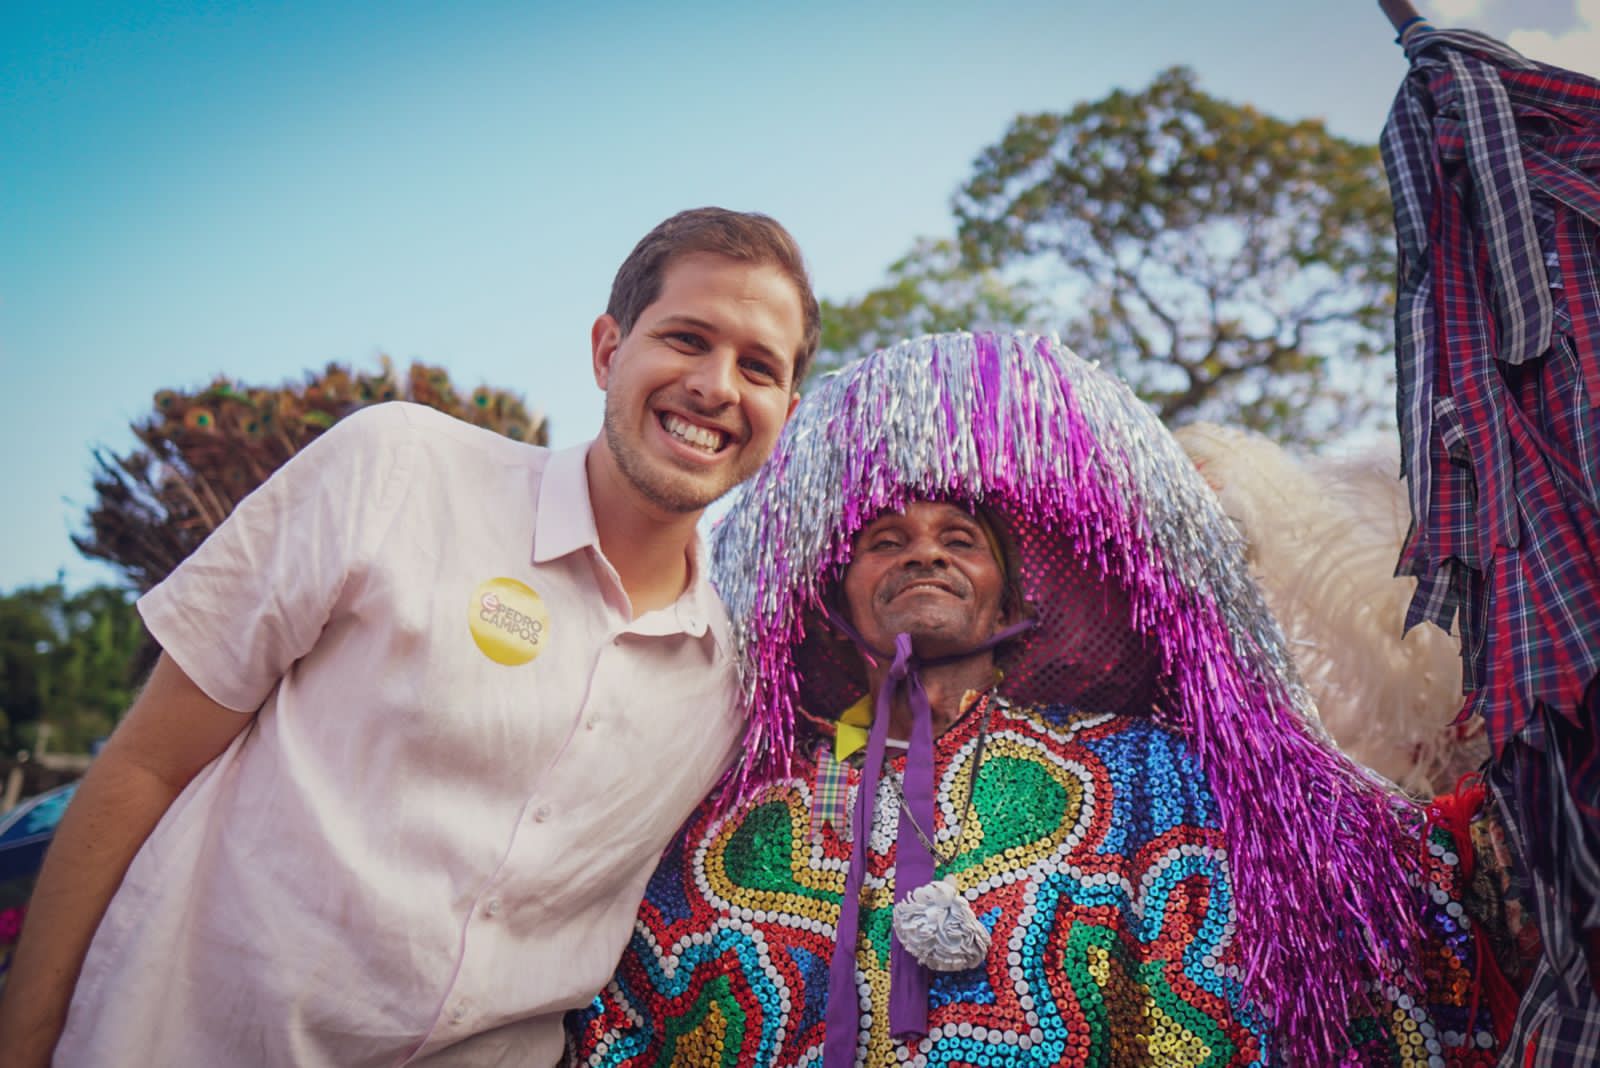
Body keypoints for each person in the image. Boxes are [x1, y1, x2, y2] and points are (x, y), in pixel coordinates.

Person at [0, 207, 820, 1067]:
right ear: (608, 349)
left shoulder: (736, 687)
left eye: (757, 367)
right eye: (688, 338)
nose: (717, 385)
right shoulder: (398, 473)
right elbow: (144, 766)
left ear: (785, 410)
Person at [567, 331, 1519, 1066]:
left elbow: (1308, 939)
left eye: (960, 537)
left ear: (1015, 600)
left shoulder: (1146, 774)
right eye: (885, 539)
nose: (924, 551)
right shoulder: (726, 813)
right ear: (832, 594)